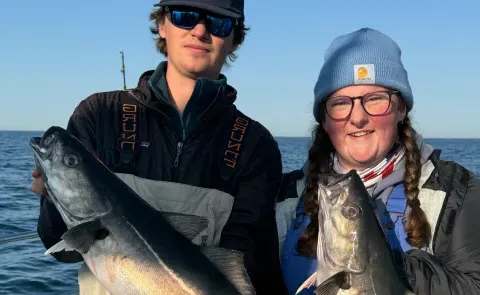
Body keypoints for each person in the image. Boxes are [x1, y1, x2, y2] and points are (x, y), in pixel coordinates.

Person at [30, 1, 287, 294]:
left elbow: (245, 262)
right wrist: (52, 199)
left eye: (219, 23)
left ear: (235, 38)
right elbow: (60, 247)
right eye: (184, 16)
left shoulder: (255, 145)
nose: (200, 30)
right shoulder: (100, 115)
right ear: (162, 25)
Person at [275, 27, 480, 295]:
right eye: (340, 103)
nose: (358, 117)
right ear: (323, 119)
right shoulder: (283, 195)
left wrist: (386, 263)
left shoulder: (457, 191)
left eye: (375, 99)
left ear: (401, 109)